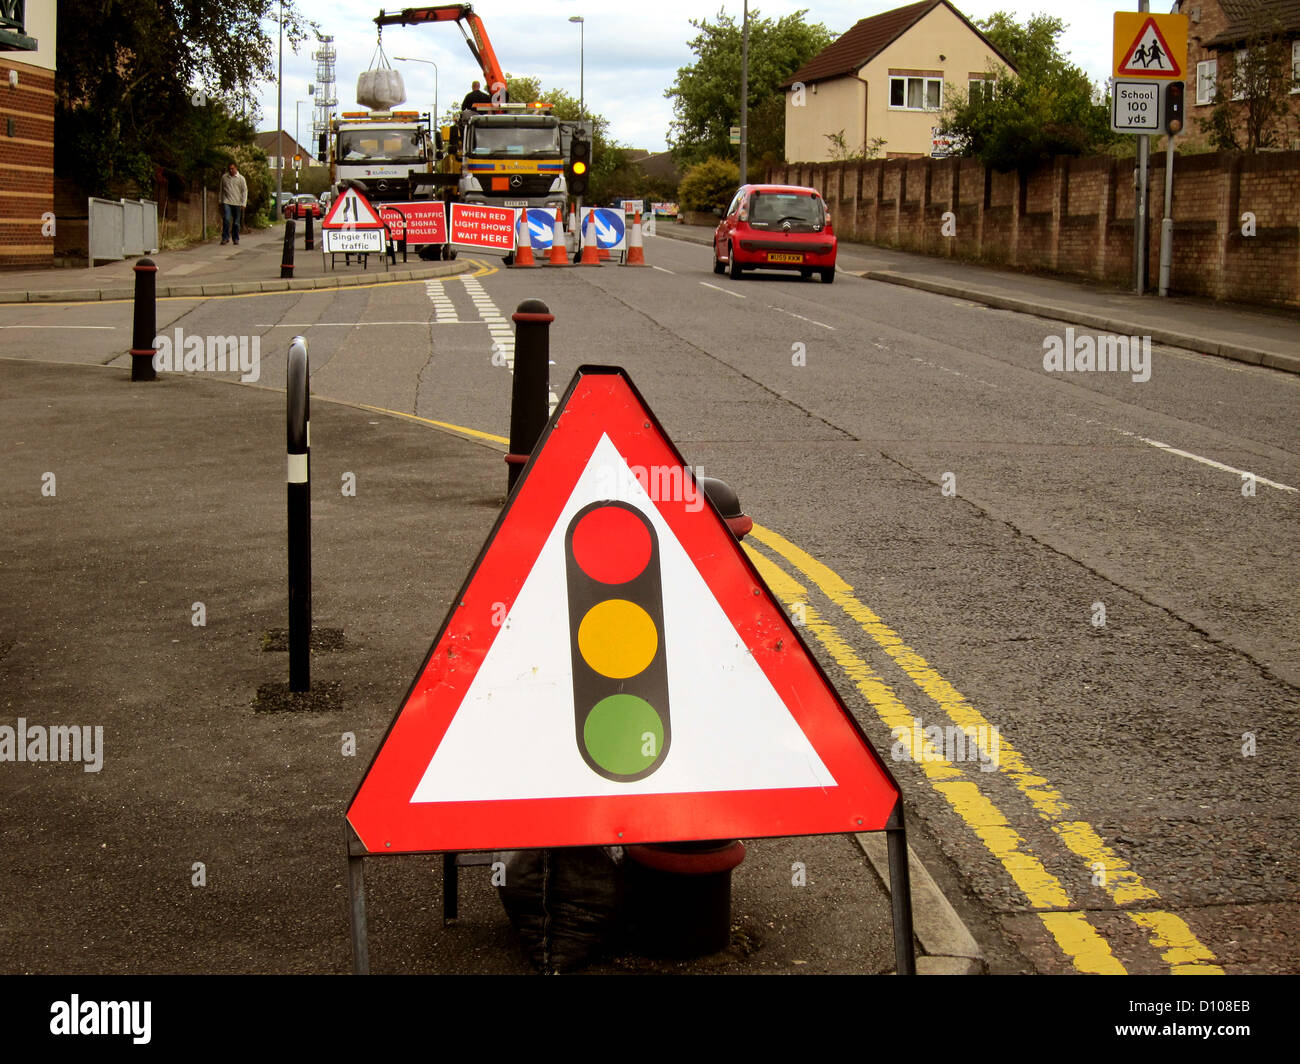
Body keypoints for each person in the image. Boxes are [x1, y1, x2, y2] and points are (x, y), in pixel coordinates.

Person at [219, 162, 248, 245]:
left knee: (236, 222)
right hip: (227, 201)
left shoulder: (241, 179)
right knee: (227, 219)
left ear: (236, 168)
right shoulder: (224, 177)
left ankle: (235, 238)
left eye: (233, 169)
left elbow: (244, 191)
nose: (231, 170)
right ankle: (225, 237)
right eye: (230, 169)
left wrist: (243, 203)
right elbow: (221, 190)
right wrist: (220, 200)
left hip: (237, 203)